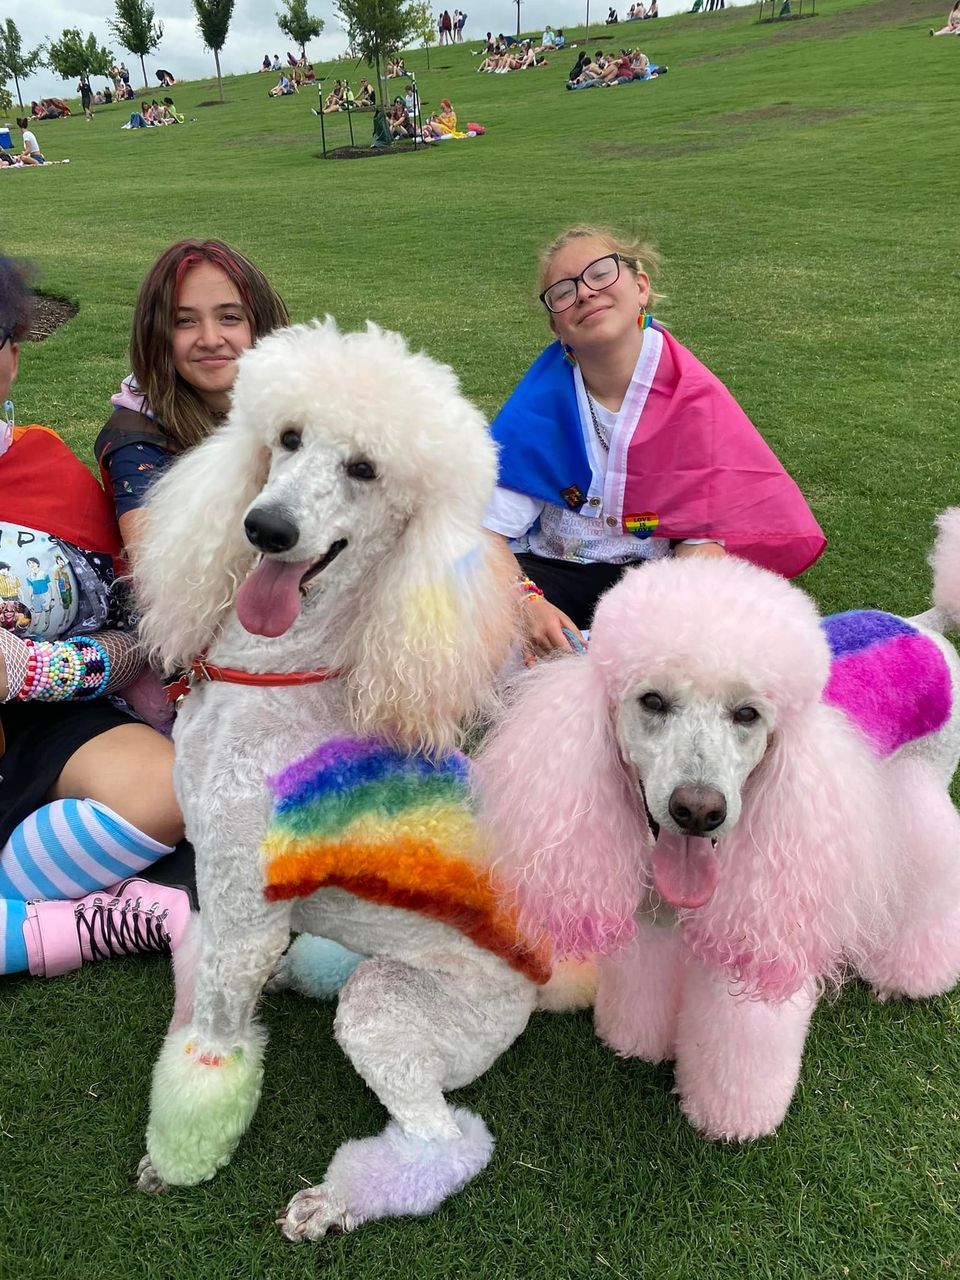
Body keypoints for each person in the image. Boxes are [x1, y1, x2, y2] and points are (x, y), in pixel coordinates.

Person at [483, 227, 825, 659]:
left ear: (641, 287)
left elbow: (701, 537)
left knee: (723, 640)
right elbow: (485, 535)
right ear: (557, 327)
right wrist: (527, 603)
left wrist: (692, 588)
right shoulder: (537, 408)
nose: (585, 293)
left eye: (600, 273)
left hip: (652, 576)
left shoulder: (694, 397)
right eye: (563, 292)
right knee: (482, 634)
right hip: (552, 571)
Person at [0, 255, 194, 980]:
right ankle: (81, 927)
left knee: (168, 791)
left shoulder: (47, 469)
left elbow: (134, 633)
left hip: (44, 719)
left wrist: (30, 670)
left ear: (13, 353)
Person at [95, 240, 289, 555]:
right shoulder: (136, 442)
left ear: (262, 325)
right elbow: (158, 566)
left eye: (230, 317)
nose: (210, 339)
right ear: (157, 336)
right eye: (184, 321)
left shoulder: (301, 409)